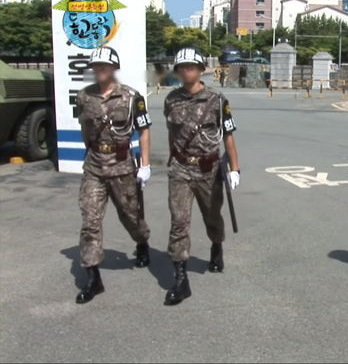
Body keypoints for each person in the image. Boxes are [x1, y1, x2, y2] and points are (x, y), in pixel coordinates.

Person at [74, 46, 153, 304]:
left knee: (132, 216)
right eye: (96, 66)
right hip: (95, 167)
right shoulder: (84, 97)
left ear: (114, 68)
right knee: (90, 221)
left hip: (122, 167)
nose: (100, 70)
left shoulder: (132, 97)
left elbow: (143, 131)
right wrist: (91, 155)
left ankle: (142, 242)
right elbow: (85, 130)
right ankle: (93, 276)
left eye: (105, 66)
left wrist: (145, 163)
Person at [163, 47, 240, 306]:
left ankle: (216, 245)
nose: (187, 71)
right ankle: (180, 278)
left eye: (192, 67)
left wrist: (234, 169)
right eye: (183, 67)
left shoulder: (217, 100)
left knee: (212, 217)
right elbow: (172, 134)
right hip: (181, 169)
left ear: (201, 69)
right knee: (179, 221)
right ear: (178, 71)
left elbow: (228, 136)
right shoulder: (171, 100)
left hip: (208, 169)